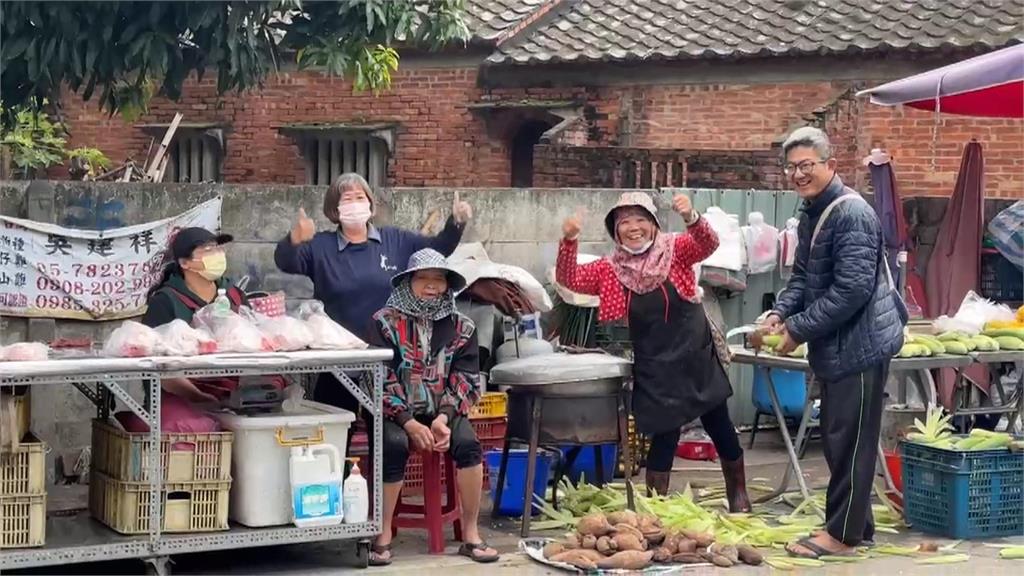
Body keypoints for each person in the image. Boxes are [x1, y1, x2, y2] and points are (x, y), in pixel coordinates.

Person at [556, 192, 751, 512]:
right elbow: (571, 278)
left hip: (694, 356)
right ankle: (657, 508)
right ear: (615, 231)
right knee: (664, 432)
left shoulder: (675, 250)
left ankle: (738, 494)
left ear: (654, 224)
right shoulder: (610, 269)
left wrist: (692, 217)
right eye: (625, 222)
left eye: (641, 219)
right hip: (655, 363)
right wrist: (569, 240)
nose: (634, 227)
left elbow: (708, 245)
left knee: (719, 424)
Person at [762, 127, 906, 559]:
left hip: (861, 345)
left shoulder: (852, 214)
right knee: (842, 437)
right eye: (792, 167)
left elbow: (852, 291)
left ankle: (841, 537)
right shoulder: (813, 212)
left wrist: (798, 330)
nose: (798, 174)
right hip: (838, 346)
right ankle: (856, 526)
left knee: (852, 440)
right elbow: (803, 278)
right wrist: (779, 314)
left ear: (830, 165)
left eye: (807, 165)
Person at [274, 172, 473, 411]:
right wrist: (294, 239)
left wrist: (456, 224)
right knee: (336, 429)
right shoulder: (320, 246)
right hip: (338, 358)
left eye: (360, 197)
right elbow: (286, 262)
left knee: (387, 434)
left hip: (390, 357)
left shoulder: (396, 240)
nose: (355, 204)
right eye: (347, 199)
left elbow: (436, 250)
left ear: (370, 203)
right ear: (335, 209)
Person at [365, 248, 498, 566]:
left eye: (438, 280)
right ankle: (382, 536)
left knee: (468, 445)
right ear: (408, 282)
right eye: (423, 278)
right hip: (393, 410)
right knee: (393, 445)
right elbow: (377, 377)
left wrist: (443, 417)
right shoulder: (384, 323)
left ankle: (470, 534)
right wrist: (408, 421)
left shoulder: (462, 326)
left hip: (442, 408)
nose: (431, 286)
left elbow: (466, 378)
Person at [142, 227, 251, 405]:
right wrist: (198, 397)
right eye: (208, 250)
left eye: (218, 248)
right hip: (179, 395)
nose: (217, 255)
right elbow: (156, 367)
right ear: (185, 263)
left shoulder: (234, 295)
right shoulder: (165, 301)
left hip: (234, 391)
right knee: (195, 426)